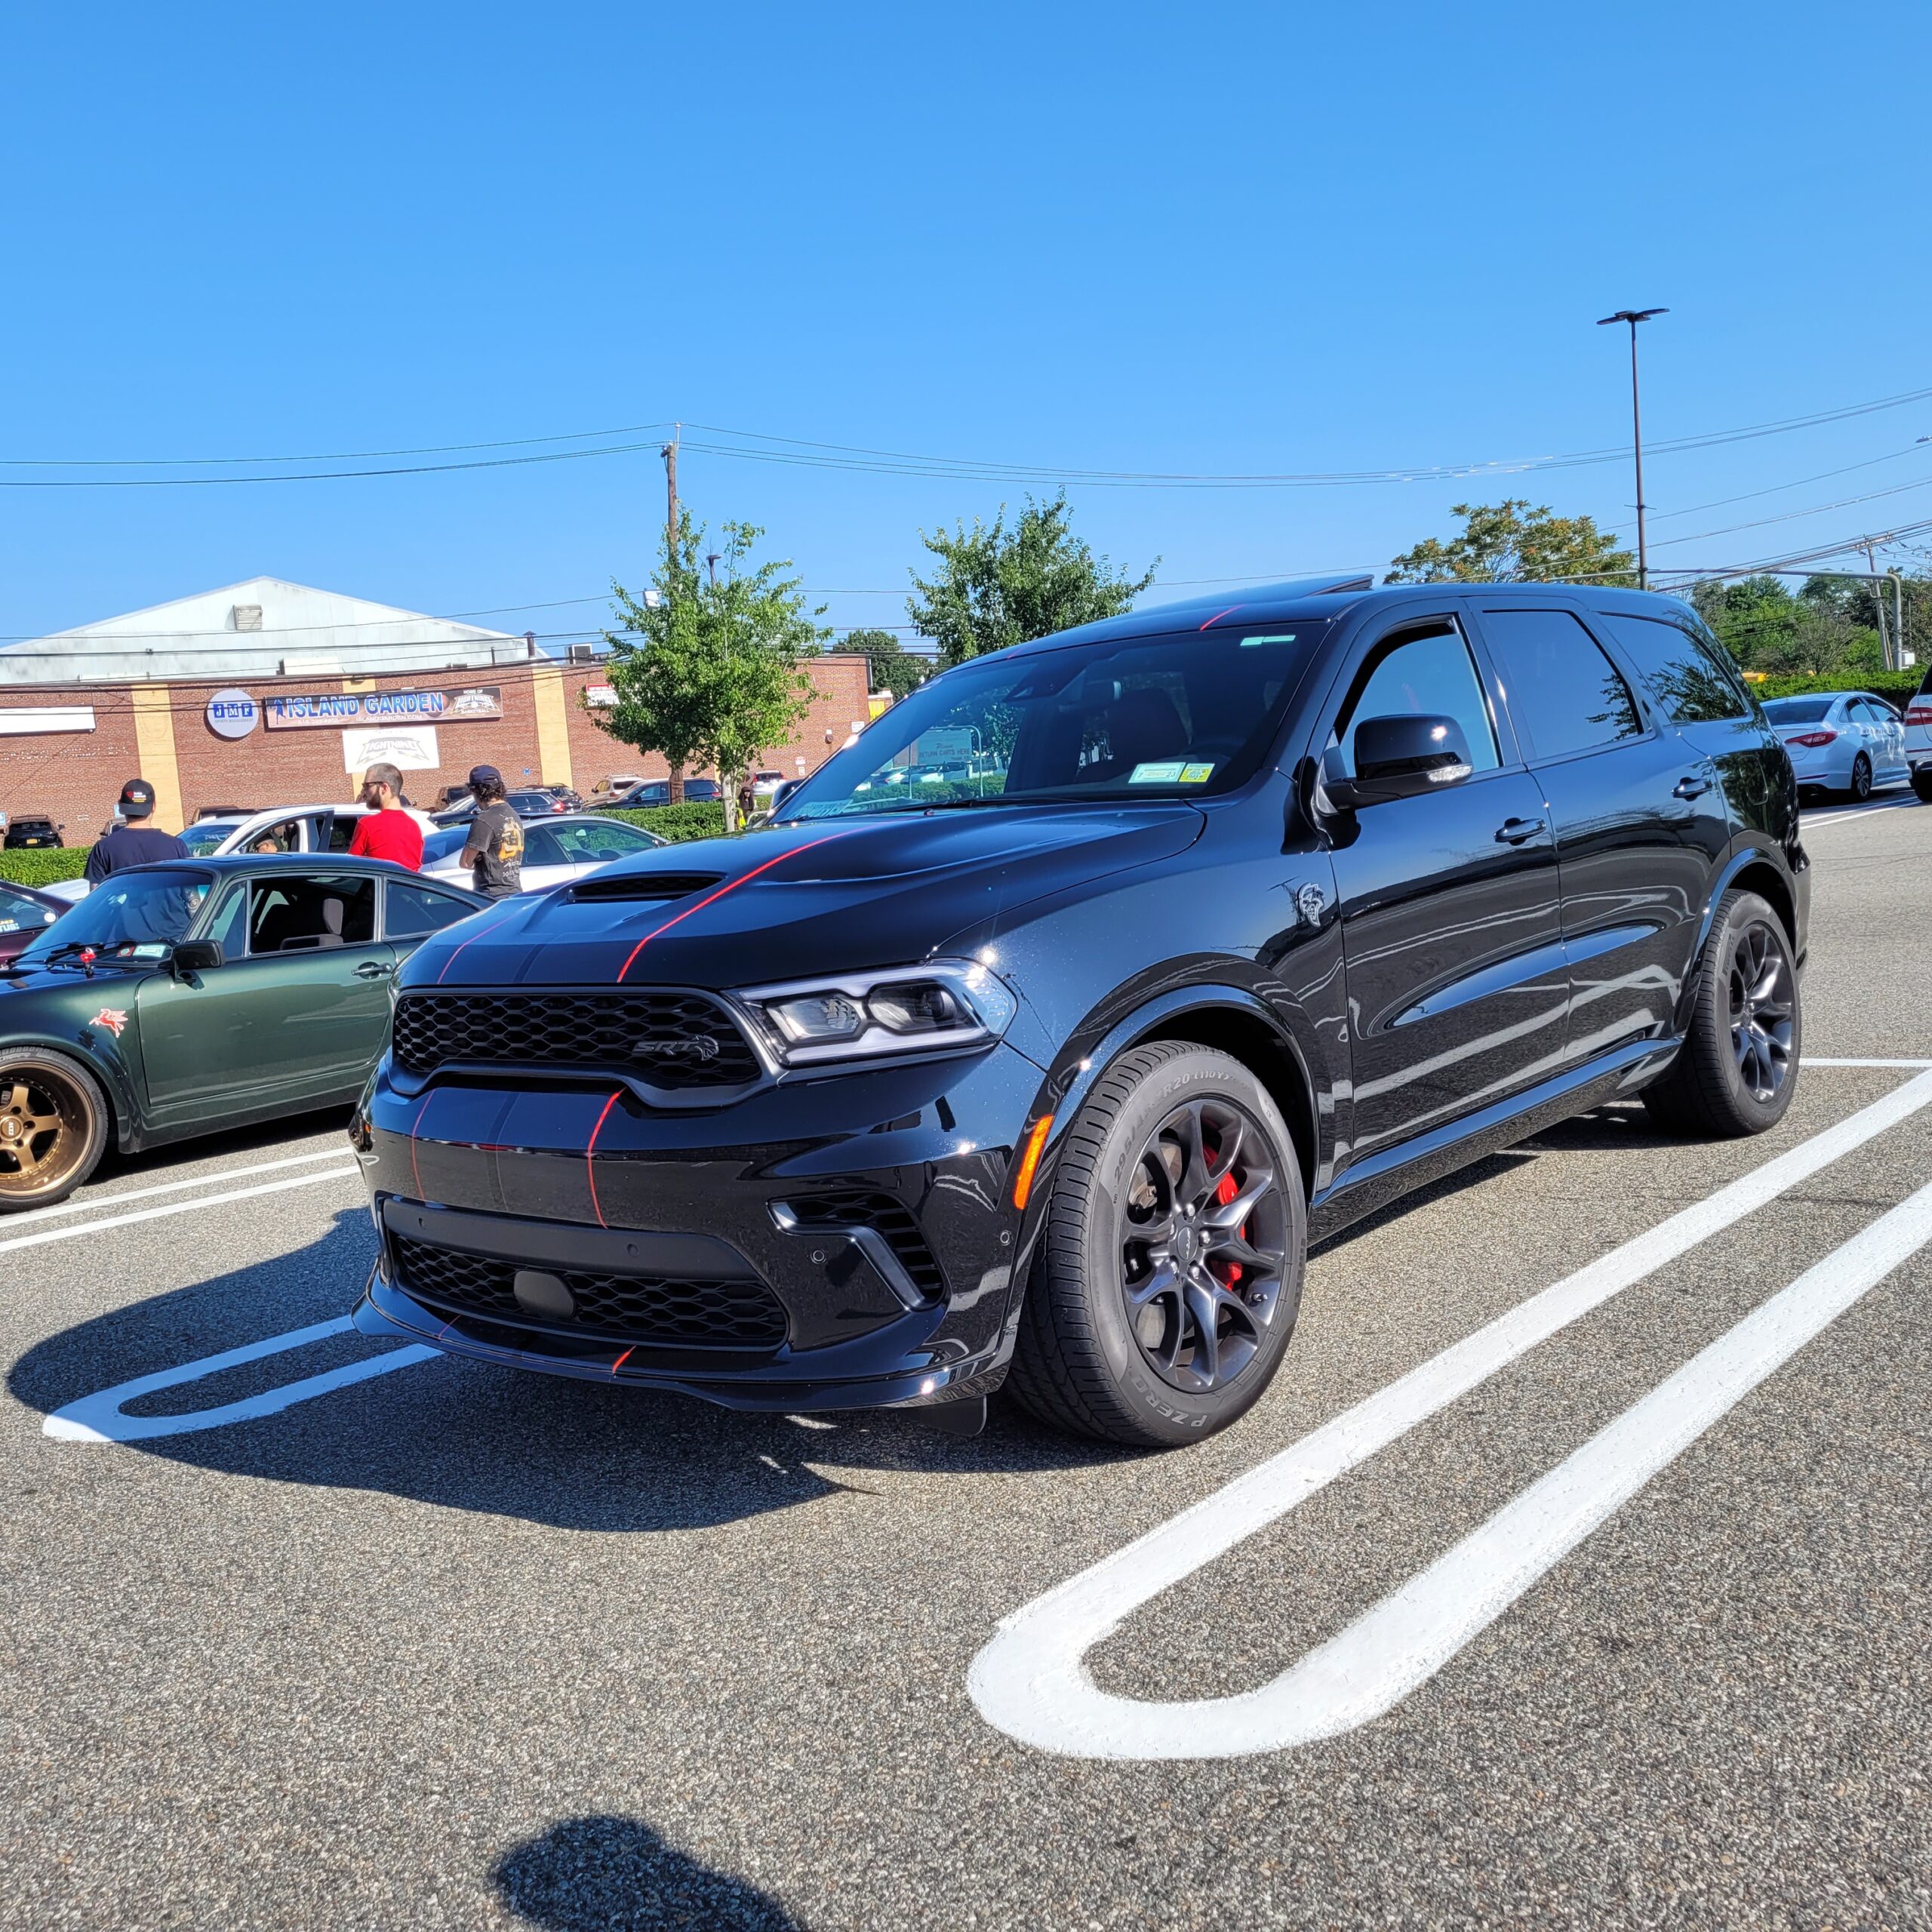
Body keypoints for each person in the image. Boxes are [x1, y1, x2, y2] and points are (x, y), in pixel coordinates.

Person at [83, 779, 189, 883]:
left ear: (120, 806)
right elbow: (191, 888)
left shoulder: (103, 848)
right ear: (154, 806)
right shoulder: (177, 846)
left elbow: (96, 891)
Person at [460, 764, 524, 897]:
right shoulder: (513, 814)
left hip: (491, 895)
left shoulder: (484, 820)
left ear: (475, 791)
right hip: (514, 892)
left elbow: (465, 863)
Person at [346, 761, 423, 871]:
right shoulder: (414, 827)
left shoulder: (367, 825)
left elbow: (351, 868)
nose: (363, 792)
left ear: (384, 788)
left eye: (367, 786)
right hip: (410, 882)